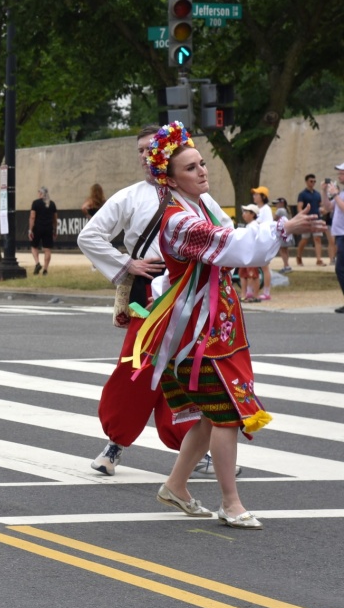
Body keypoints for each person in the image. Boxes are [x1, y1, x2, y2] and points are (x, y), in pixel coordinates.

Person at [134, 122, 323, 529]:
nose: (202, 171)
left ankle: (176, 486)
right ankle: (231, 502)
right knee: (226, 415)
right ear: (170, 179)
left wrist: (276, 230)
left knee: (212, 415)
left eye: (202, 163)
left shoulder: (200, 205)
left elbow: (232, 237)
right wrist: (283, 227)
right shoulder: (178, 220)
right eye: (191, 168)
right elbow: (232, 246)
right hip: (197, 334)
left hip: (216, 326)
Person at [78, 125, 233, 477]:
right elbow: (90, 236)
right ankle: (116, 442)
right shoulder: (130, 196)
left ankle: (192, 448)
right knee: (137, 367)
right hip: (150, 292)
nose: (147, 155)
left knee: (187, 369)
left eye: (153, 148)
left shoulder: (199, 199)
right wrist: (126, 264)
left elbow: (228, 237)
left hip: (191, 292)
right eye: (141, 150)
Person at [325, 162, 344, 313]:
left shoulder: (340, 194)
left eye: (342, 173)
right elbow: (328, 207)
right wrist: (324, 191)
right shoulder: (341, 194)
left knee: (340, 268)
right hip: (340, 235)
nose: (339, 176)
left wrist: (336, 195)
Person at [250, 186, 273, 300]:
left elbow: (267, 225)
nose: (254, 196)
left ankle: (266, 292)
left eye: (257, 194)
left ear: (263, 197)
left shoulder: (266, 209)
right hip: (256, 240)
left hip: (263, 241)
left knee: (265, 267)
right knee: (254, 266)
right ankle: (251, 290)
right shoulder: (257, 209)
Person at [295, 174, 324, 266]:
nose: (313, 183)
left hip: (317, 218)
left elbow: (320, 205)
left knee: (317, 238)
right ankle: (299, 256)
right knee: (305, 239)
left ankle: (319, 259)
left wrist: (322, 210)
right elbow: (299, 207)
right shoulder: (302, 194)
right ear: (306, 182)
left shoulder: (317, 194)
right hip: (307, 219)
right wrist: (302, 217)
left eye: (314, 181)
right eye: (311, 181)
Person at [28, 186, 57, 275]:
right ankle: (45, 269)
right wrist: (55, 230)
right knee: (47, 249)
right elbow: (55, 219)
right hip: (48, 228)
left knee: (34, 246)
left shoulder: (35, 203)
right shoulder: (52, 204)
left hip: (37, 228)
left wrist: (30, 230)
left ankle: (37, 263)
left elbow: (32, 217)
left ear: (41, 193)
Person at [237, 205, 262, 302]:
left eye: (246, 212)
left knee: (253, 275)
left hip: (251, 254)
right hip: (245, 253)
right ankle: (244, 294)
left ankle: (255, 295)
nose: (243, 214)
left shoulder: (254, 226)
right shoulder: (249, 226)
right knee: (243, 274)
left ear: (252, 214)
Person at [274, 197, 293, 272]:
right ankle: (287, 265)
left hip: (282, 232)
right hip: (287, 232)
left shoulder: (280, 210)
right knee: (285, 250)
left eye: (277, 203)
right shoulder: (286, 210)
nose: (276, 205)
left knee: (282, 250)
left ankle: (286, 265)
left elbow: (274, 218)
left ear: (281, 203)